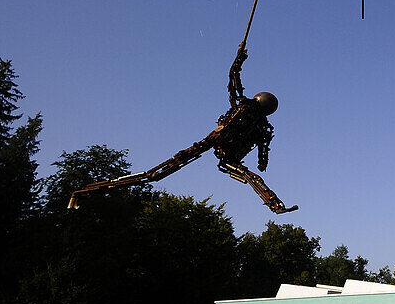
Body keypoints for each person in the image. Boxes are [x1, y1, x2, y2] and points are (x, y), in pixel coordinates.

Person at [68, 46, 297, 214]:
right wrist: (239, 61)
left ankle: (89, 190)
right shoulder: (262, 127)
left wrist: (239, 59)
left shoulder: (246, 109)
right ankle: (275, 205)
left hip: (216, 143)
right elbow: (262, 160)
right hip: (227, 152)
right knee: (245, 175)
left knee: (155, 174)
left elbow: (233, 79)